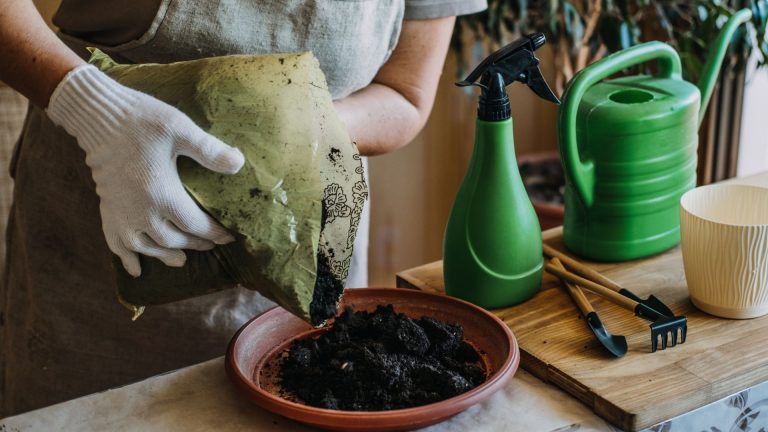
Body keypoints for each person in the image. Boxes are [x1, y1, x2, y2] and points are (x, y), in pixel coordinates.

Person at [0, 0, 487, 416]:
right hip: (96, 234)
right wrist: (88, 106)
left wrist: (293, 126)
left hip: (306, 241)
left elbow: (406, 95)